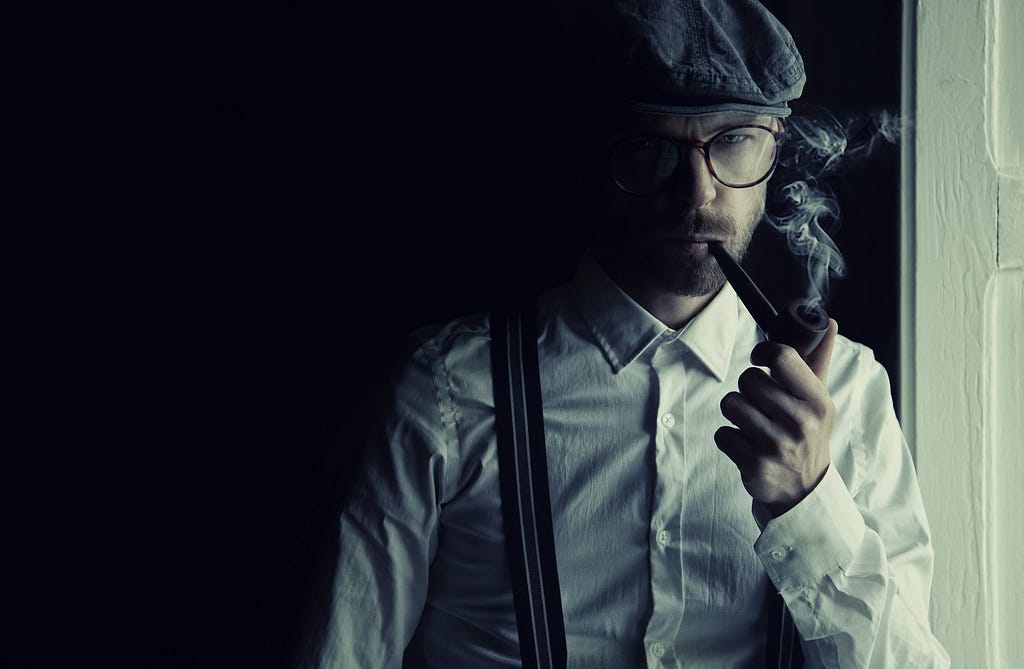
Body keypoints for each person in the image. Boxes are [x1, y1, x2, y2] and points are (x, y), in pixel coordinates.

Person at [300, 1, 950, 666]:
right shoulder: (443, 396)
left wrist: (810, 502)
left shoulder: (849, 391)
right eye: (650, 147)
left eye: (732, 140)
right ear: (594, 152)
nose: (698, 194)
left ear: (775, 147)